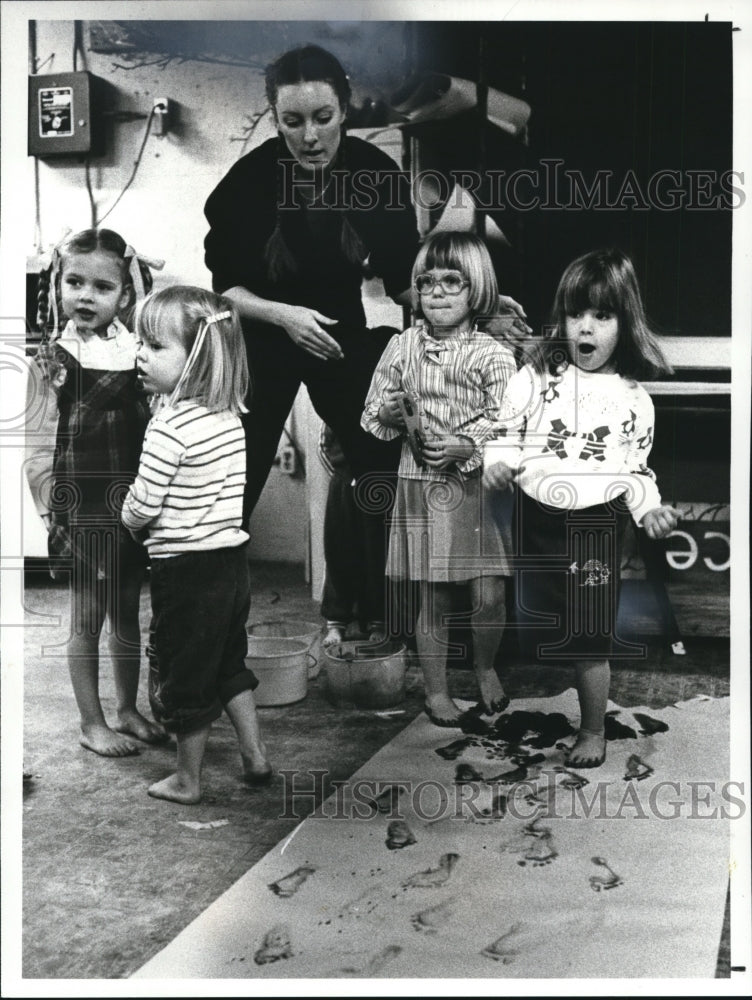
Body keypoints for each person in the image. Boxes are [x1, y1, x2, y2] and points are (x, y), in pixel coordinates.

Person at [203, 44, 529, 635]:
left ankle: (366, 614)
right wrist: (285, 317)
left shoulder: (372, 173)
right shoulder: (248, 182)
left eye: (323, 118)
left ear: (345, 109)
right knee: (235, 480)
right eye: (292, 121)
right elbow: (224, 291)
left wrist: (478, 306)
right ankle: (210, 628)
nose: (309, 136)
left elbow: (408, 284)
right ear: (275, 118)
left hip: (338, 338)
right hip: (259, 341)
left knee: (379, 461)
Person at [483, 248, 679, 768]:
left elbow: (635, 470)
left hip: (595, 524)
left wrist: (650, 510)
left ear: (625, 322)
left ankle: (593, 729)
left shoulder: (634, 399)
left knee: (590, 633)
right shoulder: (536, 377)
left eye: (601, 315)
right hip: (536, 518)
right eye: (576, 314)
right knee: (545, 626)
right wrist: (497, 462)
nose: (585, 327)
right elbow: (506, 432)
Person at [121, 286, 270, 804]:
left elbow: (144, 504)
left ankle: (188, 779)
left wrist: (130, 519)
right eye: (140, 342)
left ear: (197, 357)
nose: (139, 354)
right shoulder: (230, 416)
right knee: (229, 662)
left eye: (154, 346)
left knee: (184, 673)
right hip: (231, 564)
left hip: (185, 570)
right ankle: (254, 756)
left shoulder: (168, 426)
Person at [362, 232, 517, 726]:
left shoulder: (494, 354)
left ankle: (486, 666)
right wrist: (388, 412)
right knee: (433, 594)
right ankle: (436, 691)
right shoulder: (401, 346)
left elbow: (509, 422)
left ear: (478, 290)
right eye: (426, 282)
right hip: (421, 486)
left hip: (480, 486)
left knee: (488, 593)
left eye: (453, 281)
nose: (437, 292)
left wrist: (466, 445)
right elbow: (370, 417)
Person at [25, 228, 165, 757]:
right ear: (58, 285)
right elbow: (37, 444)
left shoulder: (139, 353)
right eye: (75, 282)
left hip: (130, 504)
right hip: (80, 507)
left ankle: (128, 710)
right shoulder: (52, 358)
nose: (86, 295)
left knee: (128, 611)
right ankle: (92, 721)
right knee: (87, 616)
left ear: (125, 296)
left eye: (102, 287)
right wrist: (48, 510)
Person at [317, 424, 386, 648]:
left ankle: (378, 621)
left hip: (379, 484)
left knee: (377, 552)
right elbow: (323, 445)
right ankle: (336, 621)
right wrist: (344, 477)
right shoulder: (337, 397)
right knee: (339, 550)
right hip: (344, 483)